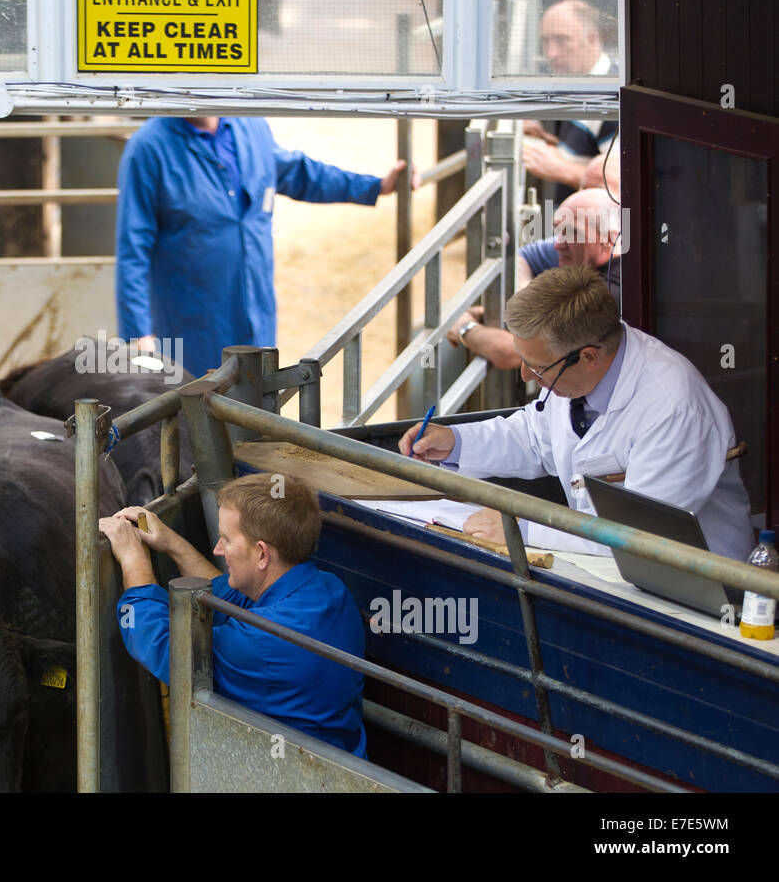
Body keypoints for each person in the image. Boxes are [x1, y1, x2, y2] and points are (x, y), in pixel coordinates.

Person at [404, 266, 753, 560]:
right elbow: (533, 437)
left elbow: (637, 536)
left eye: (537, 367)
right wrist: (456, 442)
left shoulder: (674, 411)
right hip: (608, 571)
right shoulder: (572, 370)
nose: (526, 376)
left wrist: (519, 528)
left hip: (697, 598)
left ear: (588, 356)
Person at [116, 116, 413, 378]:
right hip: (190, 322)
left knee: (256, 409)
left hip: (256, 312)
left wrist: (374, 186)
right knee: (195, 419)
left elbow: (299, 173)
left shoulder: (250, 127)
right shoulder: (149, 148)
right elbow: (133, 248)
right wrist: (139, 334)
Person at [98, 472, 367, 757]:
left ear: (262, 554)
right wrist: (172, 543)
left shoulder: (263, 642)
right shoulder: (330, 590)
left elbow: (159, 642)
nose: (217, 548)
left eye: (226, 539)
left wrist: (133, 559)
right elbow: (228, 600)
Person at [446, 188, 622, 370]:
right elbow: (524, 257)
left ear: (608, 239)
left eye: (571, 232)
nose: (558, 243)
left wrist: (464, 328)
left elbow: (513, 354)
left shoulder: (603, 296)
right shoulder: (593, 254)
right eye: (559, 231)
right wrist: (527, 303)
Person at [522, 0, 618, 193]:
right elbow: (591, 154)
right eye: (546, 42)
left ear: (592, 39)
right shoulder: (583, 85)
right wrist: (546, 141)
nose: (551, 53)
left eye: (562, 40)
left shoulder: (611, 98)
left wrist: (560, 169)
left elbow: (623, 185)